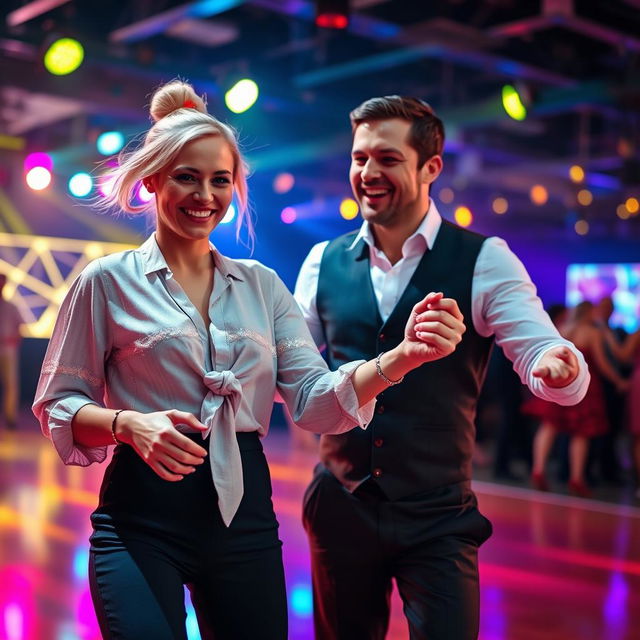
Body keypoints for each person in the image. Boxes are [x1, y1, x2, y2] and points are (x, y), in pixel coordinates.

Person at [31, 81, 467, 640]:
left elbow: (312, 403)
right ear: (152, 181)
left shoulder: (262, 286)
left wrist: (403, 357)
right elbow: (59, 404)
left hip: (244, 518)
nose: (204, 195)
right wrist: (129, 425)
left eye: (220, 180)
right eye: (187, 176)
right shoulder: (106, 281)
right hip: (140, 516)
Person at [293, 95, 590, 640]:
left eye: (386, 159)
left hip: (437, 512)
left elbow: (540, 348)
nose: (367, 173)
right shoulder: (321, 261)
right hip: (340, 503)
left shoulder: (483, 257)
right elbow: (300, 385)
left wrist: (557, 365)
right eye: (359, 159)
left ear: (431, 167)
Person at [530, 301, 628, 497]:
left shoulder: (562, 328)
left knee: (549, 426)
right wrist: (618, 381)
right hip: (584, 387)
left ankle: (538, 469)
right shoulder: (593, 332)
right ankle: (576, 479)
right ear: (589, 312)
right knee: (581, 433)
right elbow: (601, 364)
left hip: (558, 382)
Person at [0, 273, 23, 430]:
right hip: (7, 349)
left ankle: (10, 417)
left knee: (11, 384)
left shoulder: (12, 307)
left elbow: (19, 331)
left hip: (8, 350)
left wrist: (10, 341)